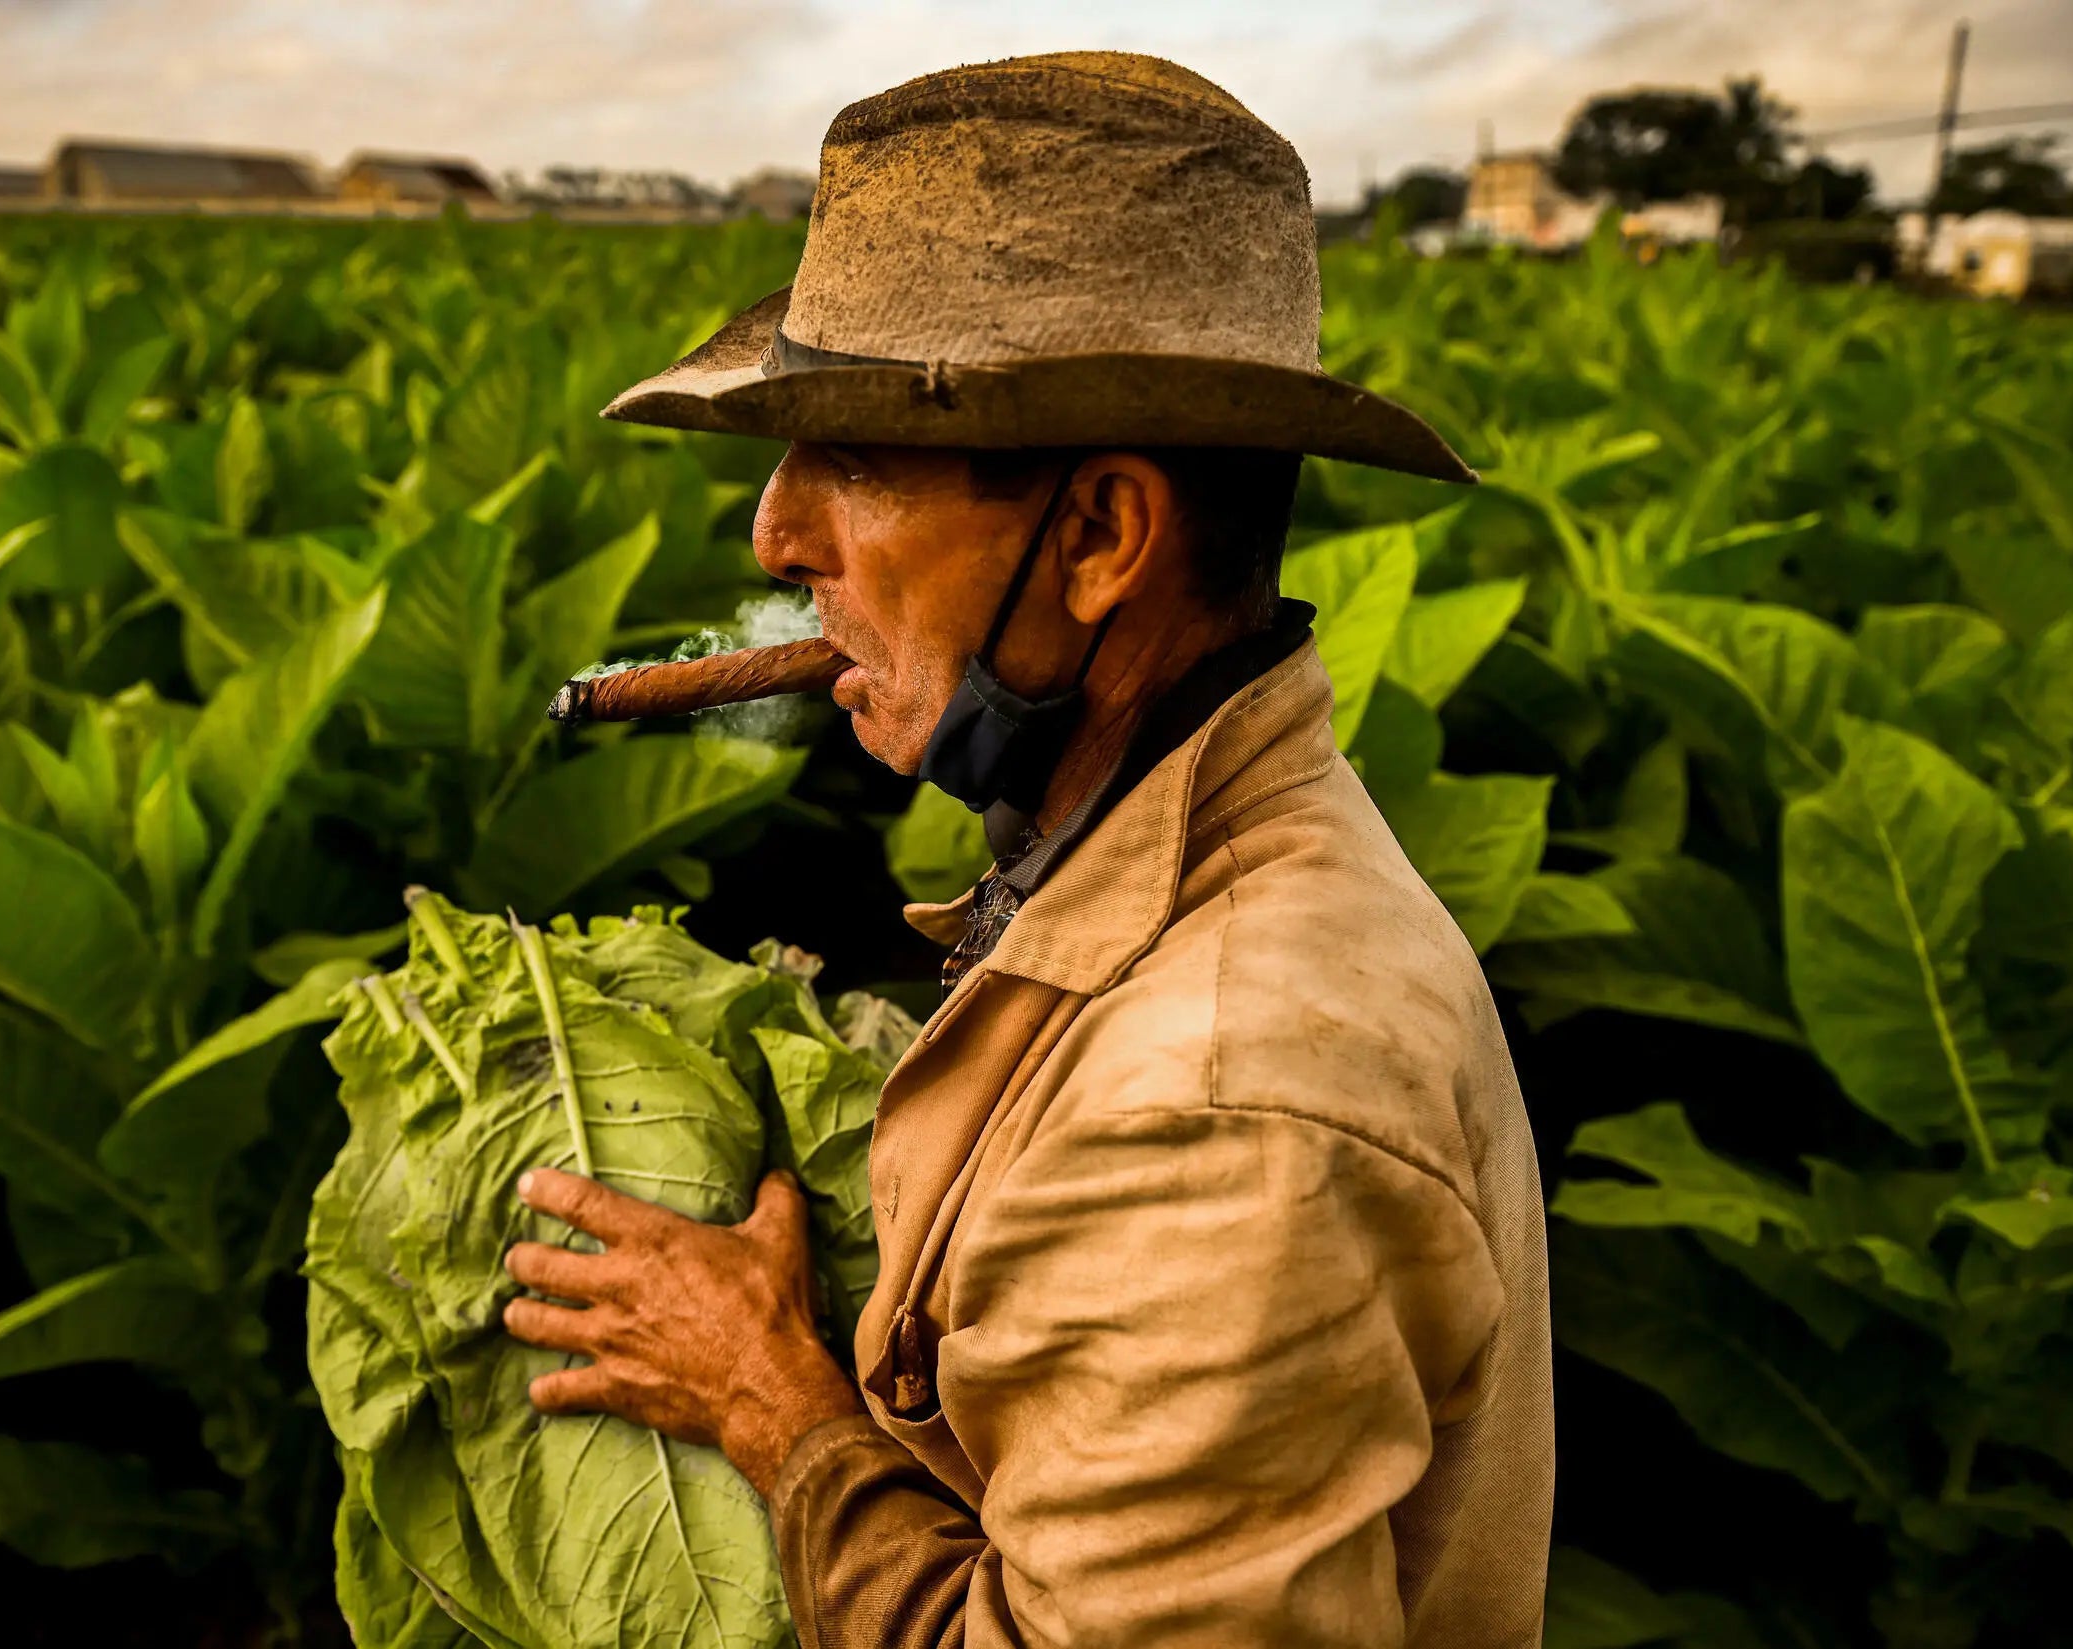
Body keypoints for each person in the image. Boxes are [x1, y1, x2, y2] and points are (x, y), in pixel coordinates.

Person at [497, 50, 1551, 1647]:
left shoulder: (1222, 1104)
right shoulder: (1152, 851)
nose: (776, 538)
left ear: (1100, 537)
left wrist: (771, 1403)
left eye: (851, 462)